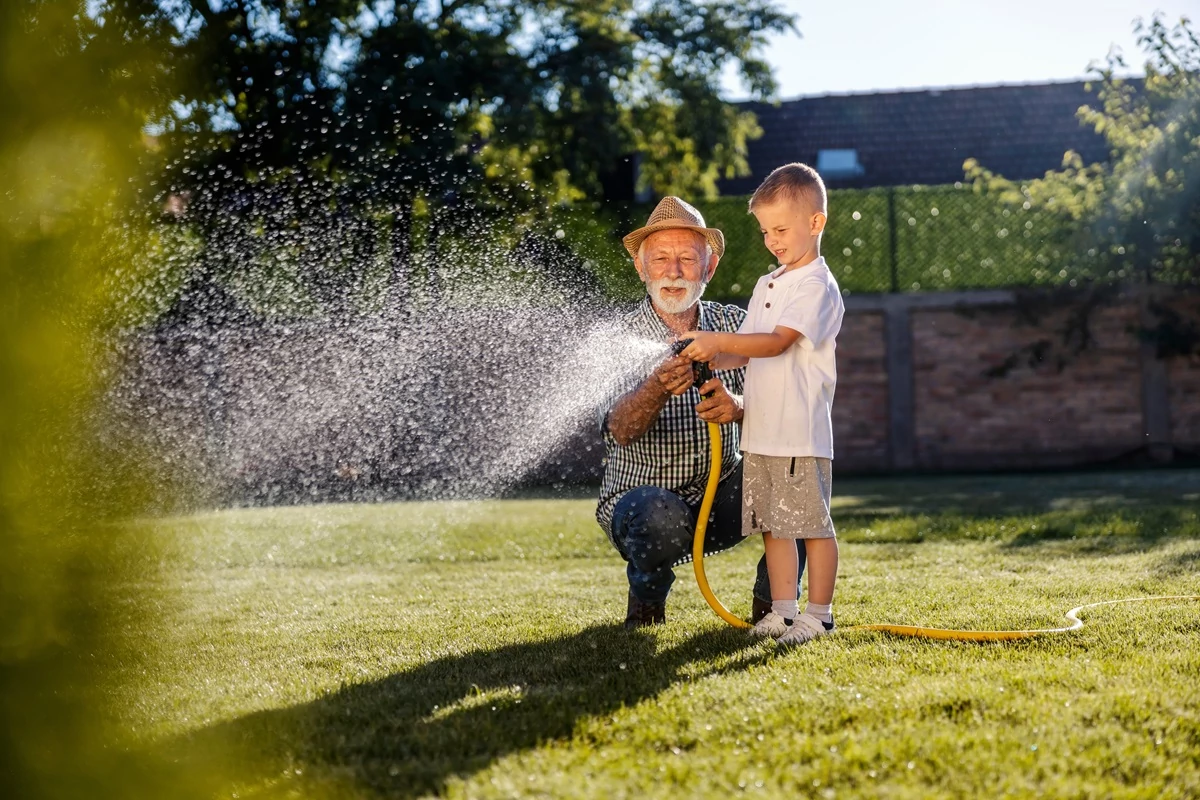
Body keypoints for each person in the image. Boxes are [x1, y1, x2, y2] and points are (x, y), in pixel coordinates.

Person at [597, 196, 804, 630]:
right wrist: (655, 388)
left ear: (708, 269)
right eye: (661, 259)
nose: (673, 272)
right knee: (657, 514)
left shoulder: (736, 325)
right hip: (644, 507)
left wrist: (740, 406)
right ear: (641, 267)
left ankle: (774, 612)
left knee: (795, 475)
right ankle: (647, 603)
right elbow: (618, 430)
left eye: (687, 259)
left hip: (723, 495)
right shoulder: (617, 339)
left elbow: (790, 406)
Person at [679, 163, 844, 645]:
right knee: (775, 527)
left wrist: (717, 340)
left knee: (811, 526)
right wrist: (705, 349)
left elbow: (775, 343)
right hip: (763, 433)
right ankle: (783, 611)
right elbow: (745, 348)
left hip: (799, 432)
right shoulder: (768, 283)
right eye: (766, 231)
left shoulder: (816, 285)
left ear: (815, 223)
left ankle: (820, 614)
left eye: (781, 229)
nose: (772, 240)